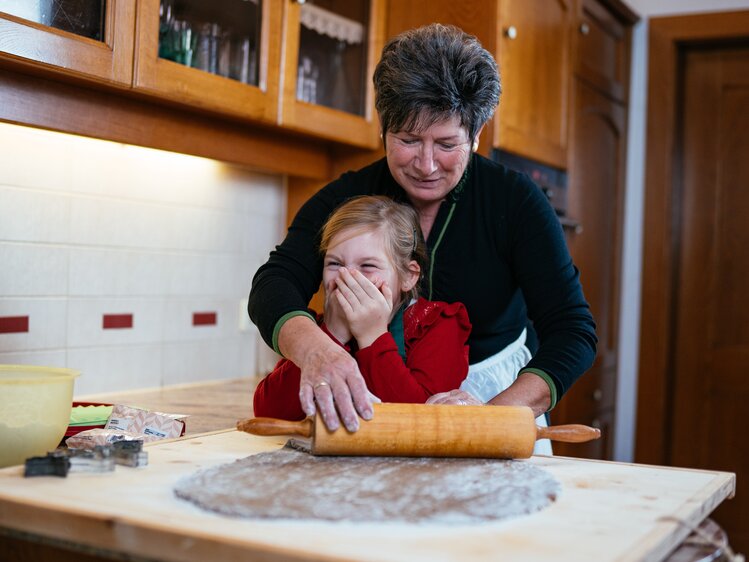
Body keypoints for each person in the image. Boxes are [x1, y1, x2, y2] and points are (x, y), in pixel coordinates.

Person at [249, 23, 597, 454]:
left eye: (447, 143)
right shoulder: (347, 196)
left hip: (496, 394)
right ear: (383, 130)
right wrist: (319, 352)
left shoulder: (516, 201)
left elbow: (573, 331)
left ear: (476, 134)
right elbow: (274, 283)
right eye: (408, 140)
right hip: (373, 394)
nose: (427, 165)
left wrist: (494, 414)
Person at [253, 195, 471, 421]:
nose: (346, 277)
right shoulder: (314, 331)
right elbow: (270, 413)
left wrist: (372, 335)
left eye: (367, 266)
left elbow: (413, 418)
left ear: (408, 275)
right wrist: (332, 334)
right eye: (334, 264)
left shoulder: (438, 325)